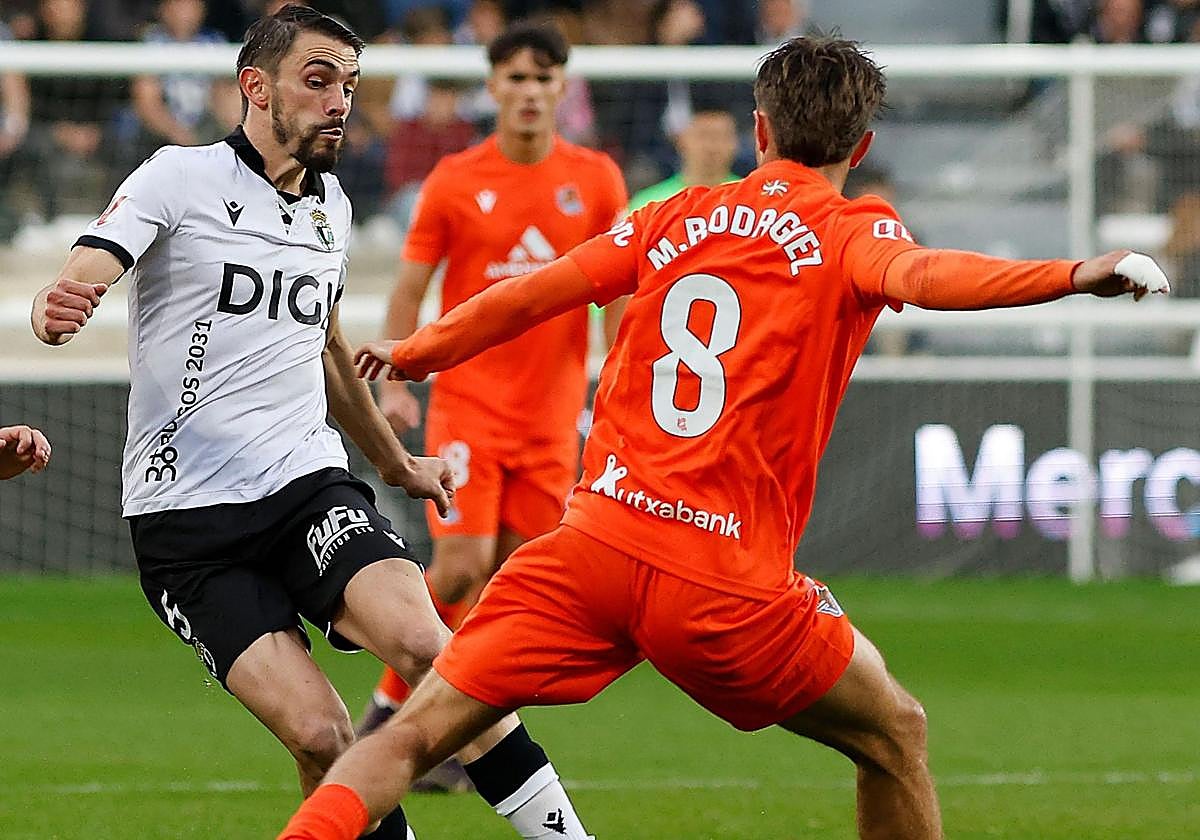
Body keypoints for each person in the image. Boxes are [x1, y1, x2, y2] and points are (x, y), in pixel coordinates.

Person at [278, 35, 1171, 840]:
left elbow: (538, 289)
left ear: (759, 130)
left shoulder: (674, 216)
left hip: (592, 548)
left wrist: (417, 350)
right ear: (859, 149)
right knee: (895, 731)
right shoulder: (851, 231)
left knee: (414, 733)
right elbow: (931, 275)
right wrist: (1073, 274)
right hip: (720, 584)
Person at [28, 7, 594, 840]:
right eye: (319, 80)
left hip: (307, 488)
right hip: (188, 528)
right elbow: (89, 265)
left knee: (440, 654)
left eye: (350, 85)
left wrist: (396, 463)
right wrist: (58, 300)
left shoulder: (330, 206)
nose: (340, 101)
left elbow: (326, 350)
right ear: (256, 88)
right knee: (324, 737)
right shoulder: (176, 178)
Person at [358, 21, 627, 757]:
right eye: (516, 78)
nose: (530, 92)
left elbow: (618, 296)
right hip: (470, 406)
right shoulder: (455, 179)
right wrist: (400, 382)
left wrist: (621, 388)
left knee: (510, 587)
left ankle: (453, 736)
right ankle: (386, 720)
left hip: (550, 415)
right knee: (459, 567)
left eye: (544, 78)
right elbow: (411, 288)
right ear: (493, 87)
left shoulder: (597, 178)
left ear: (562, 88)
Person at [627, 107, 740, 211]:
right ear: (681, 140)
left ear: (736, 143)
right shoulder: (648, 203)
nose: (712, 146)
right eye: (703, 136)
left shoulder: (751, 196)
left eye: (721, 137)